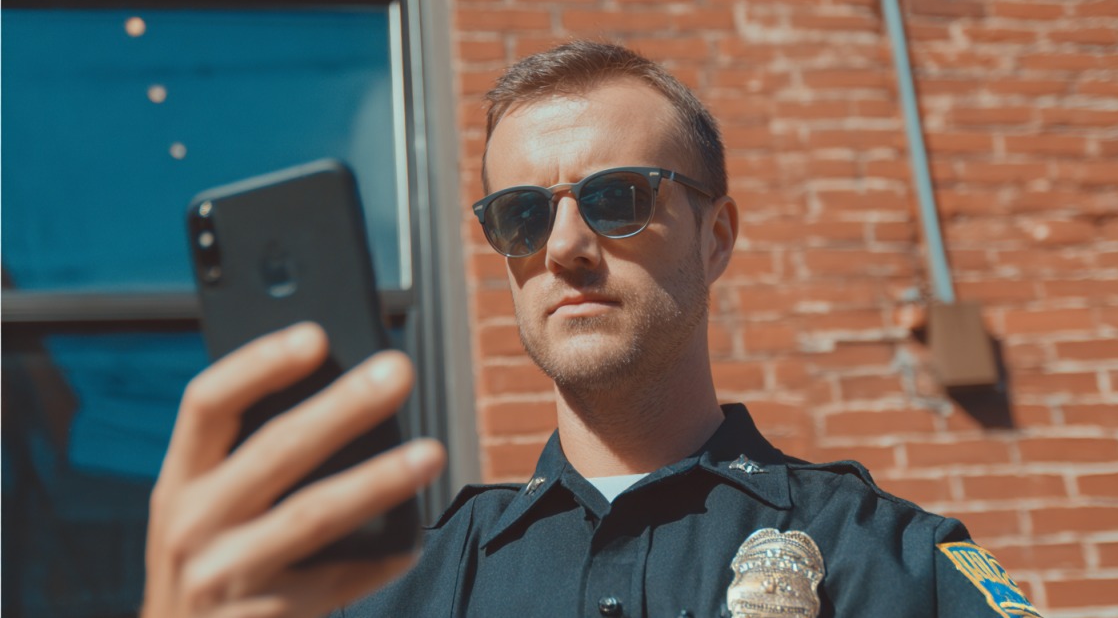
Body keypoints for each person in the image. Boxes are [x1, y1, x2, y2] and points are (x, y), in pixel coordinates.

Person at [144, 41, 1042, 618]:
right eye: (522, 216)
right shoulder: (390, 592)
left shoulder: (896, 565)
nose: (564, 245)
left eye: (617, 199)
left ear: (716, 234)